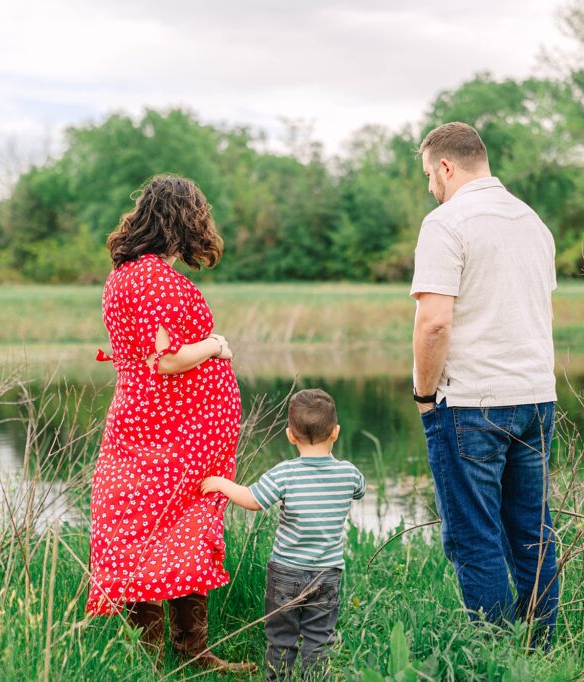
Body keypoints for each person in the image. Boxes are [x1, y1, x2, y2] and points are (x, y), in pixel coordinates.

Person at [86, 175, 255, 673]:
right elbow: (168, 360)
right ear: (184, 221)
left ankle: (170, 657)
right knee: (178, 533)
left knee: (150, 537)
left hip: (142, 426)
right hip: (171, 435)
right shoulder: (156, 280)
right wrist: (216, 345)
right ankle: (182, 656)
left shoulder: (121, 277)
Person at [411, 122, 560, 647]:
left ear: (447, 167)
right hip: (538, 398)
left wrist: (426, 397)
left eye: (430, 174)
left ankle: (495, 657)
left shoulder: (446, 222)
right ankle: (540, 649)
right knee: (531, 533)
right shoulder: (533, 222)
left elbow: (434, 323)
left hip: (472, 401)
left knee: (475, 537)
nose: (431, 185)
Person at [201, 388, 366, 680]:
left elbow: (253, 499)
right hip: (327, 573)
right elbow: (360, 489)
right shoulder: (348, 473)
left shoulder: (284, 473)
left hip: (286, 572)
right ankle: (315, 677)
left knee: (281, 636)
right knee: (319, 637)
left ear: (290, 435)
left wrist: (220, 483)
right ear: (336, 432)